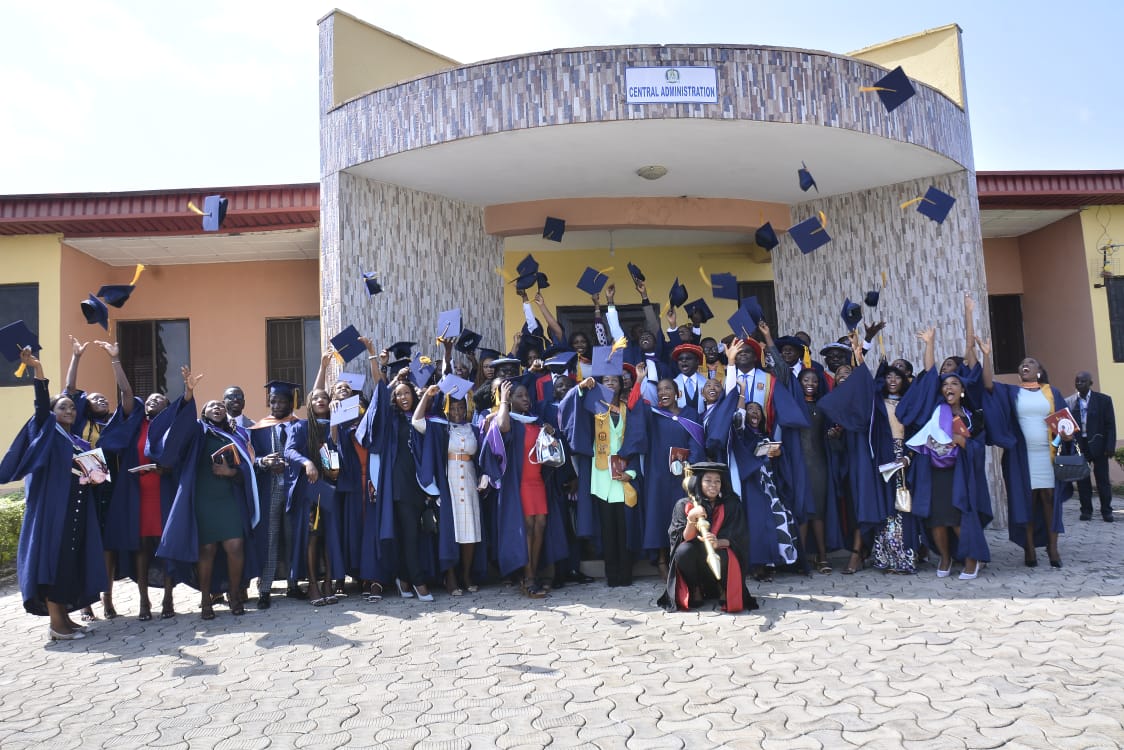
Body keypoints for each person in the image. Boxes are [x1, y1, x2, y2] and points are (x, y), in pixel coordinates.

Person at [0, 346, 109, 640]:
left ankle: (65, 618)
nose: (70, 411)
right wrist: (38, 369)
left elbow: (90, 472)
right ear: (51, 413)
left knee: (69, 562)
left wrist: (95, 476)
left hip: (77, 508)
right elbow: (39, 406)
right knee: (53, 561)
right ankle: (56, 624)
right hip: (53, 510)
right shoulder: (46, 430)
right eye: (63, 407)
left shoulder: (78, 441)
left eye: (72, 408)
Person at [149, 366, 260, 619]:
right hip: (203, 499)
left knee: (235, 546)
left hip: (229, 500)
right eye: (211, 406)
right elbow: (179, 430)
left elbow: (248, 469)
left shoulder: (237, 435)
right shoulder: (198, 431)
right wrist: (188, 394)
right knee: (207, 551)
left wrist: (231, 473)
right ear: (203, 412)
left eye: (220, 405)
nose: (217, 408)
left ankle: (234, 595)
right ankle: (206, 600)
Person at [96, 340, 177, 620]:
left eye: (160, 399)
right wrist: (115, 360)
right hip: (137, 495)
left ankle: (168, 599)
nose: (154, 400)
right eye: (151, 398)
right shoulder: (135, 423)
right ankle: (144, 602)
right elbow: (127, 391)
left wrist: (164, 469)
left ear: (167, 407)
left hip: (163, 492)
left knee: (165, 548)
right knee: (141, 548)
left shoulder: (171, 427)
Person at [904, 338, 991, 580]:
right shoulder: (936, 410)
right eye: (945, 385)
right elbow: (931, 374)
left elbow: (979, 444)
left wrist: (963, 441)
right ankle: (944, 556)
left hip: (960, 473)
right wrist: (930, 344)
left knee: (957, 518)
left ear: (962, 390)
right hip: (934, 471)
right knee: (937, 519)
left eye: (954, 383)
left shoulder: (972, 416)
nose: (948, 387)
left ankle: (971, 559)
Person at [980, 341, 1067, 568]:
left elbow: (1063, 424)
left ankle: (1053, 547)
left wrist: (1063, 438)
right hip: (1021, 456)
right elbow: (987, 384)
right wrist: (986, 355)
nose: (1025, 365)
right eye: (1022, 364)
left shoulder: (1051, 392)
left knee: (1049, 500)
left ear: (1038, 370)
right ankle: (1029, 549)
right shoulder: (1012, 392)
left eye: (1030, 362)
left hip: (1048, 456)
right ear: (1019, 373)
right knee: (1026, 502)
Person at [559, 373, 643, 587]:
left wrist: (631, 473)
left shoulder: (628, 409)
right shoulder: (593, 409)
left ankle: (625, 574)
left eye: (614, 381)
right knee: (607, 528)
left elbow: (637, 441)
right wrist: (580, 388)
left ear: (621, 384)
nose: (611, 384)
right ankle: (612, 575)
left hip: (624, 475)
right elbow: (569, 413)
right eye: (606, 381)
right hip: (602, 477)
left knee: (624, 529)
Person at [630, 367, 706, 576]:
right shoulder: (652, 415)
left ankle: (683, 559)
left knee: (683, 514)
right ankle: (662, 560)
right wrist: (639, 380)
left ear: (677, 393)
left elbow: (697, 442)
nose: (663, 392)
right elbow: (634, 408)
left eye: (668, 389)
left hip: (683, 475)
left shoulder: (690, 414)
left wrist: (690, 463)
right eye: (660, 390)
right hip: (658, 473)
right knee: (659, 514)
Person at [63, 336, 116, 621]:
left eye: (105, 398)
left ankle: (107, 599)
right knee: (85, 543)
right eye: (96, 398)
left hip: (105, 491)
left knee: (106, 546)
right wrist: (77, 357)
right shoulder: (79, 423)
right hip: (80, 491)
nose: (102, 400)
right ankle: (86, 603)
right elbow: (69, 391)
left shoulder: (112, 426)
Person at [413, 386, 485, 596]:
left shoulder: (474, 428)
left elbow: (483, 453)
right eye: (453, 408)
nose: (457, 412)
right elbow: (417, 422)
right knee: (450, 530)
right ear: (446, 408)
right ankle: (450, 575)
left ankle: (467, 574)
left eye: (461, 407)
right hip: (449, 482)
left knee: (470, 530)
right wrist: (427, 396)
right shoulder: (440, 427)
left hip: (470, 480)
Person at [657, 463, 757, 613]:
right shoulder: (684, 505)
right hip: (696, 560)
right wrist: (691, 518)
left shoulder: (732, 505)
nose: (713, 485)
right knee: (683, 551)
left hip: (720, 557)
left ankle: (723, 588)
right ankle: (695, 588)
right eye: (708, 480)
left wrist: (719, 542)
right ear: (698, 482)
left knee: (726, 554)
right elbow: (682, 539)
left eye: (717, 481)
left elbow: (740, 536)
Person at [284, 388, 348, 606]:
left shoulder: (334, 426)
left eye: (325, 397)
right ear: (309, 404)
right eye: (316, 398)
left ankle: (328, 583)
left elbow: (333, 453)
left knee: (330, 537)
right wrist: (307, 462)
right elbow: (289, 451)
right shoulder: (300, 426)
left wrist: (333, 469)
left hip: (329, 488)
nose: (321, 400)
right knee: (312, 536)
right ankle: (312, 584)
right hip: (310, 490)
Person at [248, 381, 302, 608]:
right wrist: (264, 461)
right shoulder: (258, 429)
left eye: (282, 401)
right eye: (273, 401)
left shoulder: (299, 425)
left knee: (292, 537)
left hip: (293, 489)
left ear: (291, 403)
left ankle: (293, 584)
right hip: (269, 489)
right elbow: (250, 458)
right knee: (270, 538)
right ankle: (265, 589)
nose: (277, 405)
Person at [1067, 371, 1117, 522]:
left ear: (1090, 383)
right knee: (1082, 480)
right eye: (1077, 381)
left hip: (1099, 446)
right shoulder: (1069, 402)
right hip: (1079, 445)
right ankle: (1086, 510)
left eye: (1082, 381)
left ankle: (1106, 511)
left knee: (1102, 480)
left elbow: (1110, 426)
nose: (1079, 384)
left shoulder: (1103, 400)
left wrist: (1110, 446)